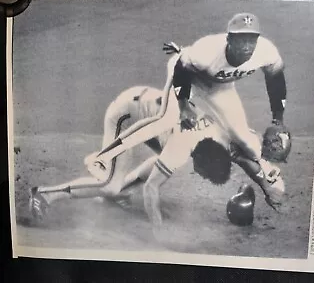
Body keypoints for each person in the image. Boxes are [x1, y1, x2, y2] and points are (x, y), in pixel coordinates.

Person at [29, 86, 284, 223]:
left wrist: (265, 186)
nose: (199, 175)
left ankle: (117, 188)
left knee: (161, 163)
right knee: (110, 186)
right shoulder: (183, 147)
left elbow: (246, 159)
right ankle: (46, 195)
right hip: (127, 114)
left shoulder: (226, 138)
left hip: (157, 117)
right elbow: (151, 189)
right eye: (203, 172)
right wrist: (159, 233)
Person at [86, 12, 288, 186]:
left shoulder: (266, 51)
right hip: (187, 74)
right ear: (229, 39)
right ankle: (103, 156)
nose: (247, 46)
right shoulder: (207, 51)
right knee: (165, 119)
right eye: (241, 39)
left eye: (251, 40)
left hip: (220, 85)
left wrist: (277, 119)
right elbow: (182, 68)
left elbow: (276, 80)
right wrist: (182, 105)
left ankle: (265, 167)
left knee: (242, 134)